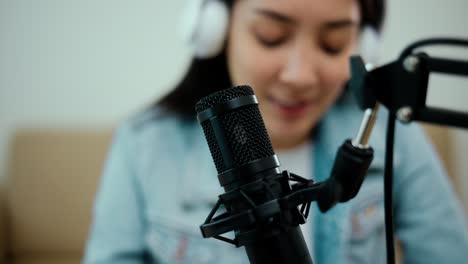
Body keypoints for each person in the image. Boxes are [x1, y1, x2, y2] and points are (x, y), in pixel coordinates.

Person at [84, 0, 468, 263]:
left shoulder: (388, 135)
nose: (300, 75)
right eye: (271, 35)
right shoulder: (143, 145)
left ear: (363, 46)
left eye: (333, 44)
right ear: (215, 31)